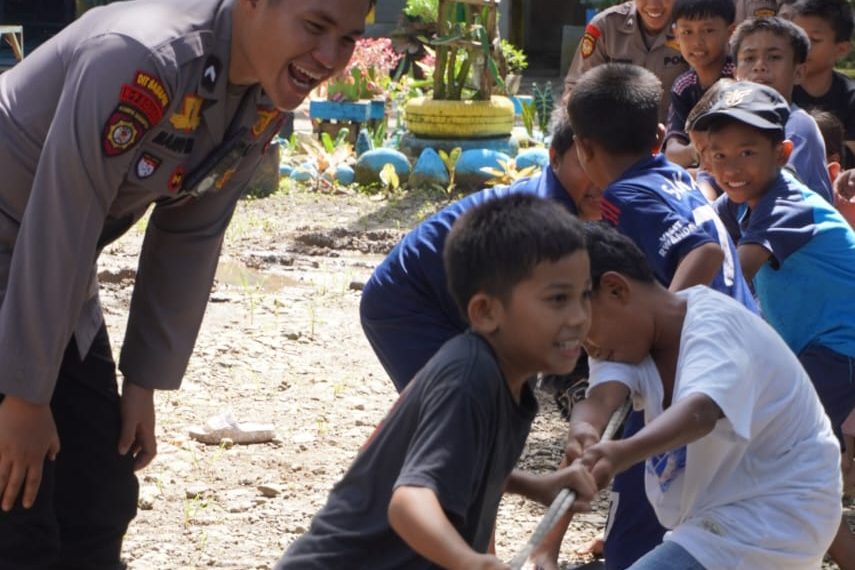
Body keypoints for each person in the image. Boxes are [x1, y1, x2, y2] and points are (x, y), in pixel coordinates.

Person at [0, 0, 373, 568]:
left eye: (347, 38)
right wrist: (25, 396)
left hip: (56, 263)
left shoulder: (266, 93)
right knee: (17, 499)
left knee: (101, 493)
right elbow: (61, 216)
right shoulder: (142, 58)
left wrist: (142, 383)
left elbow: (192, 231)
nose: (329, 57)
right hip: (37, 237)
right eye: (315, 26)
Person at [274, 193, 599, 570]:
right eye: (558, 299)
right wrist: (472, 562)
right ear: (486, 312)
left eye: (584, 296)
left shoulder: (508, 377)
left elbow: (463, 463)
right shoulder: (470, 377)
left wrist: (535, 486)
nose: (579, 317)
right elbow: (410, 500)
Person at [531, 62, 756, 570]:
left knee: (638, 483)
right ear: (659, 136)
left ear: (583, 148)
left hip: (685, 368)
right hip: (734, 356)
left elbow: (702, 252)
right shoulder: (677, 177)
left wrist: (664, 327)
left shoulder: (623, 197)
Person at [575, 221, 842, 569]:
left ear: (615, 290)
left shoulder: (715, 326)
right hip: (716, 517)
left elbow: (699, 412)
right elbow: (600, 399)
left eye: (584, 331)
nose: (587, 347)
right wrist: (582, 431)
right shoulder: (624, 342)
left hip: (776, 510)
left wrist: (623, 452)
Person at [695, 78, 855, 569]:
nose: (730, 168)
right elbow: (697, 239)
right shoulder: (738, 201)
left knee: (791, 460)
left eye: (746, 152)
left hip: (840, 348)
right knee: (792, 462)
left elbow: (732, 275)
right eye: (717, 156)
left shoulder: (787, 203)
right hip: (809, 347)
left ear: (782, 152)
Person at [361, 110, 600, 392]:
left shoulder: (579, 203)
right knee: (455, 408)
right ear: (554, 157)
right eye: (585, 163)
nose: (600, 178)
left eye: (610, 163)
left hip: (461, 304)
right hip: (408, 301)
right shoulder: (546, 218)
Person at [731, 15, 835, 203]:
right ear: (735, 73)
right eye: (749, 58)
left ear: (798, 73)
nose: (760, 66)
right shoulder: (730, 127)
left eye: (774, 57)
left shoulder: (797, 126)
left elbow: (777, 199)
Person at [561, 0, 689, 122]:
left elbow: (706, 90)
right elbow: (577, 91)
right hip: (614, 135)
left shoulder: (692, 26)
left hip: (676, 135)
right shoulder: (605, 27)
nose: (654, 4)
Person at [664, 0, 736, 168]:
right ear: (676, 34)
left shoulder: (739, 76)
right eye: (687, 31)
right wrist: (698, 149)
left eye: (708, 30)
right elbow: (671, 152)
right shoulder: (683, 86)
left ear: (730, 32)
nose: (697, 42)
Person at [790, 0, 855, 164]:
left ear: (841, 50)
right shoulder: (778, 90)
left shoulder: (851, 98)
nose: (802, 46)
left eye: (814, 40)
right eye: (796, 37)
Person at [684, 77, 737, 200]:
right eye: (699, 155)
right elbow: (706, 199)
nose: (704, 165)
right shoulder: (708, 173)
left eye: (706, 150)